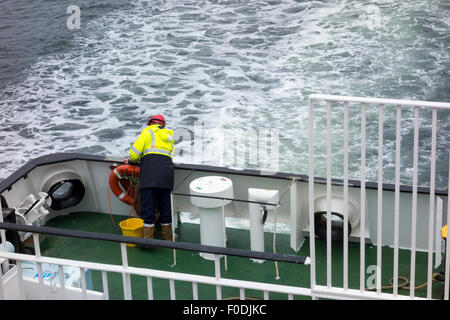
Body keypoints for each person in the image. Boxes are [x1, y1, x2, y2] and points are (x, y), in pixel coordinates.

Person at [125, 114, 175, 242]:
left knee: (148, 209)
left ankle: (148, 241)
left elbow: (134, 154)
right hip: (166, 177)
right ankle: (168, 238)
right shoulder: (169, 137)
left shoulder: (147, 133)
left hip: (150, 178)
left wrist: (131, 160)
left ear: (151, 123)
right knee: (165, 209)